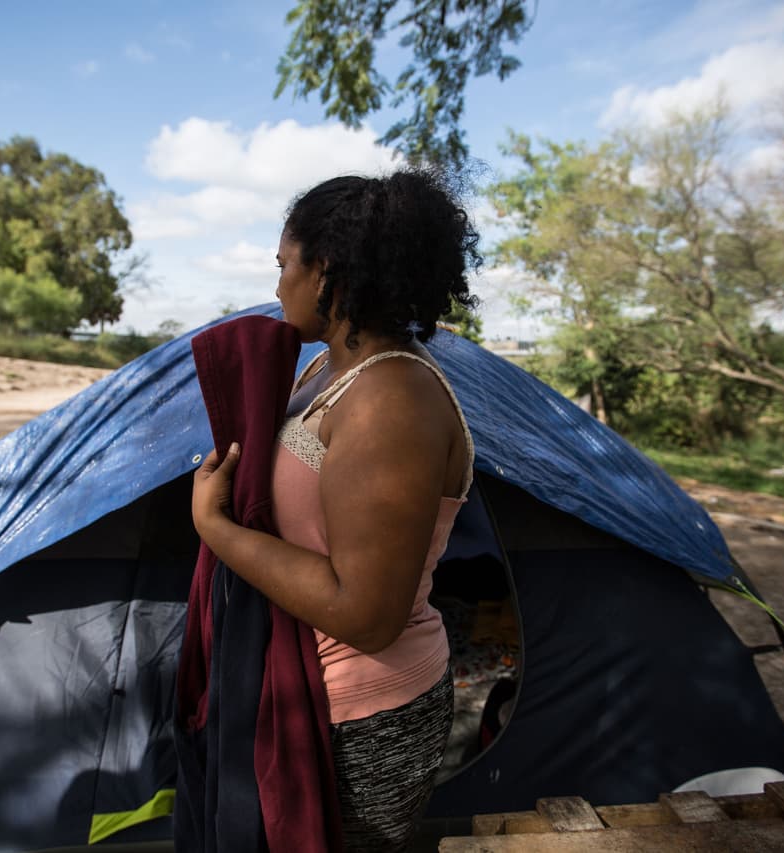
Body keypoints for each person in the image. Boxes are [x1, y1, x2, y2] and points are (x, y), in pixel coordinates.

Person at [191, 169, 480, 851]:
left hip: (363, 716)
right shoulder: (328, 371)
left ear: (326, 272)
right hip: (303, 691)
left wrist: (215, 528)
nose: (277, 282)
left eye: (283, 263)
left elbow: (365, 614)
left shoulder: (391, 401)